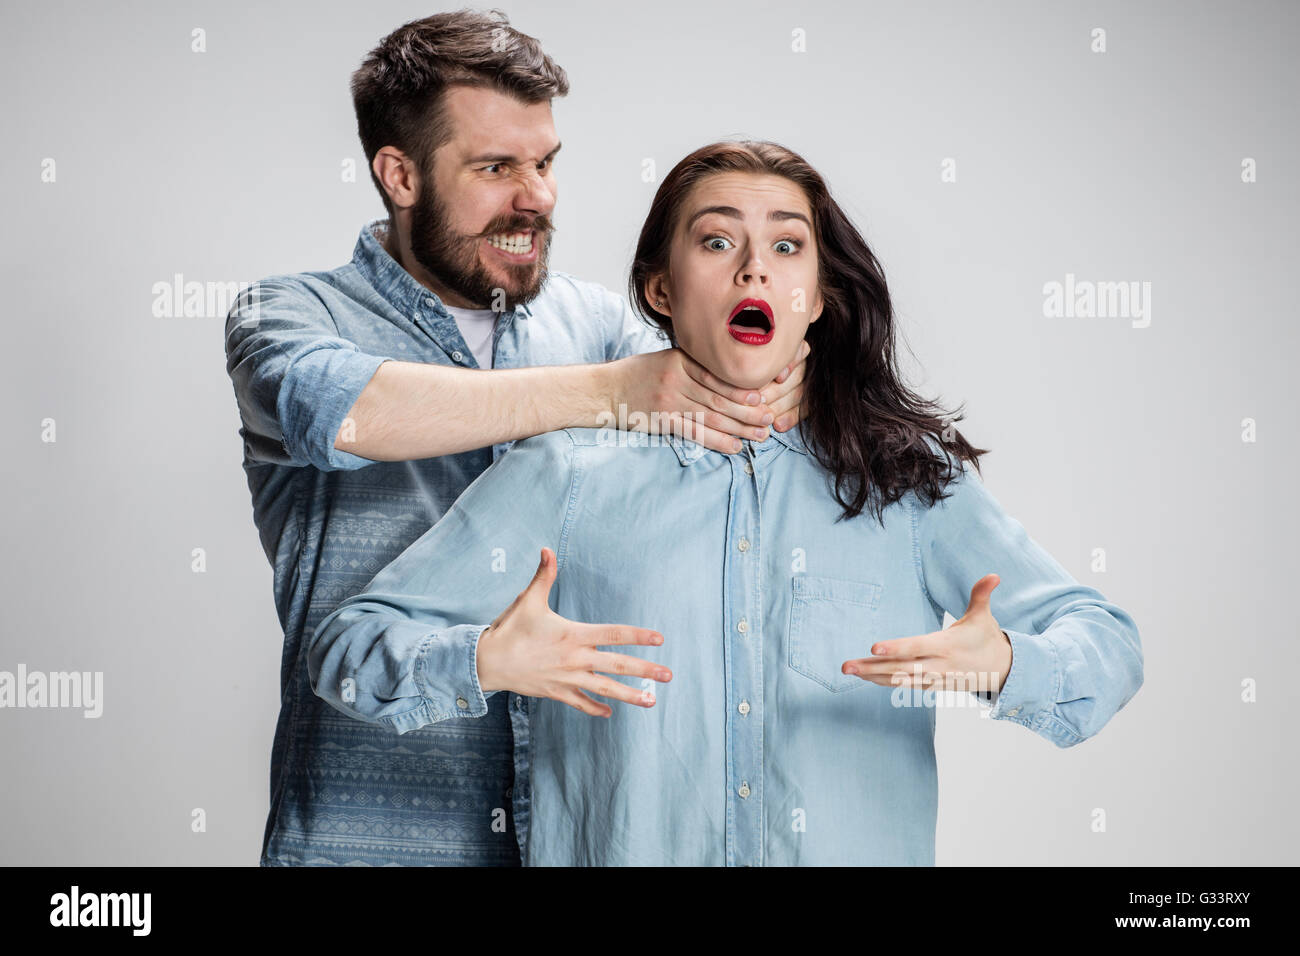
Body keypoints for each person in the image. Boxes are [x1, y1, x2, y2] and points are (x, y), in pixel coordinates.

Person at [311, 140, 1145, 866]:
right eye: (717, 241)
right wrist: (483, 659)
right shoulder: (565, 471)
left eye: (787, 246)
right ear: (663, 290)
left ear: (817, 297)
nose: (754, 268)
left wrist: (1008, 664)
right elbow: (348, 646)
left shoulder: (909, 482)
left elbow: (1107, 645)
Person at [223, 12, 810, 867]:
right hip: (374, 832)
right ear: (401, 175)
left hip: (580, 835)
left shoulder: (601, 326)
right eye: (497, 167)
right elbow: (347, 413)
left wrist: (780, 375)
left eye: (544, 163)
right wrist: (614, 391)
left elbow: (724, 450)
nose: (536, 196)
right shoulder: (284, 316)